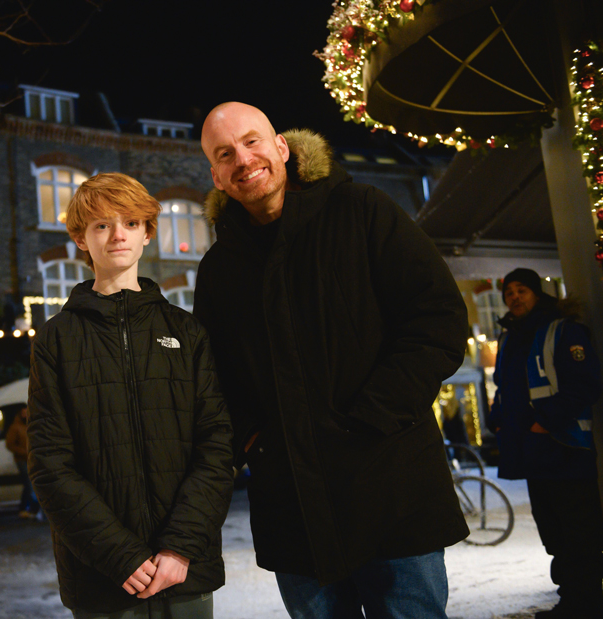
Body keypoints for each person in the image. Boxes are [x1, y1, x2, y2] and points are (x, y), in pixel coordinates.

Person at [195, 102, 469, 618]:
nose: (243, 159)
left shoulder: (362, 211)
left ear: (282, 146)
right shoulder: (218, 269)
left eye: (252, 141)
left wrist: (376, 414)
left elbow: (437, 320)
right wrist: (254, 438)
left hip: (391, 482)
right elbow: (214, 379)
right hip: (291, 505)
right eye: (225, 153)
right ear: (217, 175)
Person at [28, 172, 234, 618]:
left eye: (130, 223)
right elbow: (49, 465)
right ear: (82, 239)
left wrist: (179, 547)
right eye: (101, 225)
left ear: (146, 233)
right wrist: (120, 555)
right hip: (102, 578)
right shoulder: (56, 340)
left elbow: (216, 447)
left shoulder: (186, 332)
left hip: (185, 572)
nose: (117, 234)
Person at [489, 268, 603, 618]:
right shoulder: (510, 338)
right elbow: (505, 389)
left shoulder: (563, 330)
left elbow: (585, 386)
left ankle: (586, 604)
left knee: (577, 530)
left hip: (565, 447)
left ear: (538, 293)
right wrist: (497, 421)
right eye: (509, 291)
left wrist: (544, 423)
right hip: (534, 452)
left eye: (522, 289)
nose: (514, 297)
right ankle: (572, 600)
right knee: (555, 532)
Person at [5, 406, 39, 518]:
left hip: (32, 458)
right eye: (23, 413)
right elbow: (10, 444)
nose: (25, 415)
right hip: (22, 459)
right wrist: (24, 451)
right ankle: (34, 508)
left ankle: (24, 507)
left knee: (29, 484)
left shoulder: (31, 424)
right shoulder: (15, 427)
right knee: (29, 483)